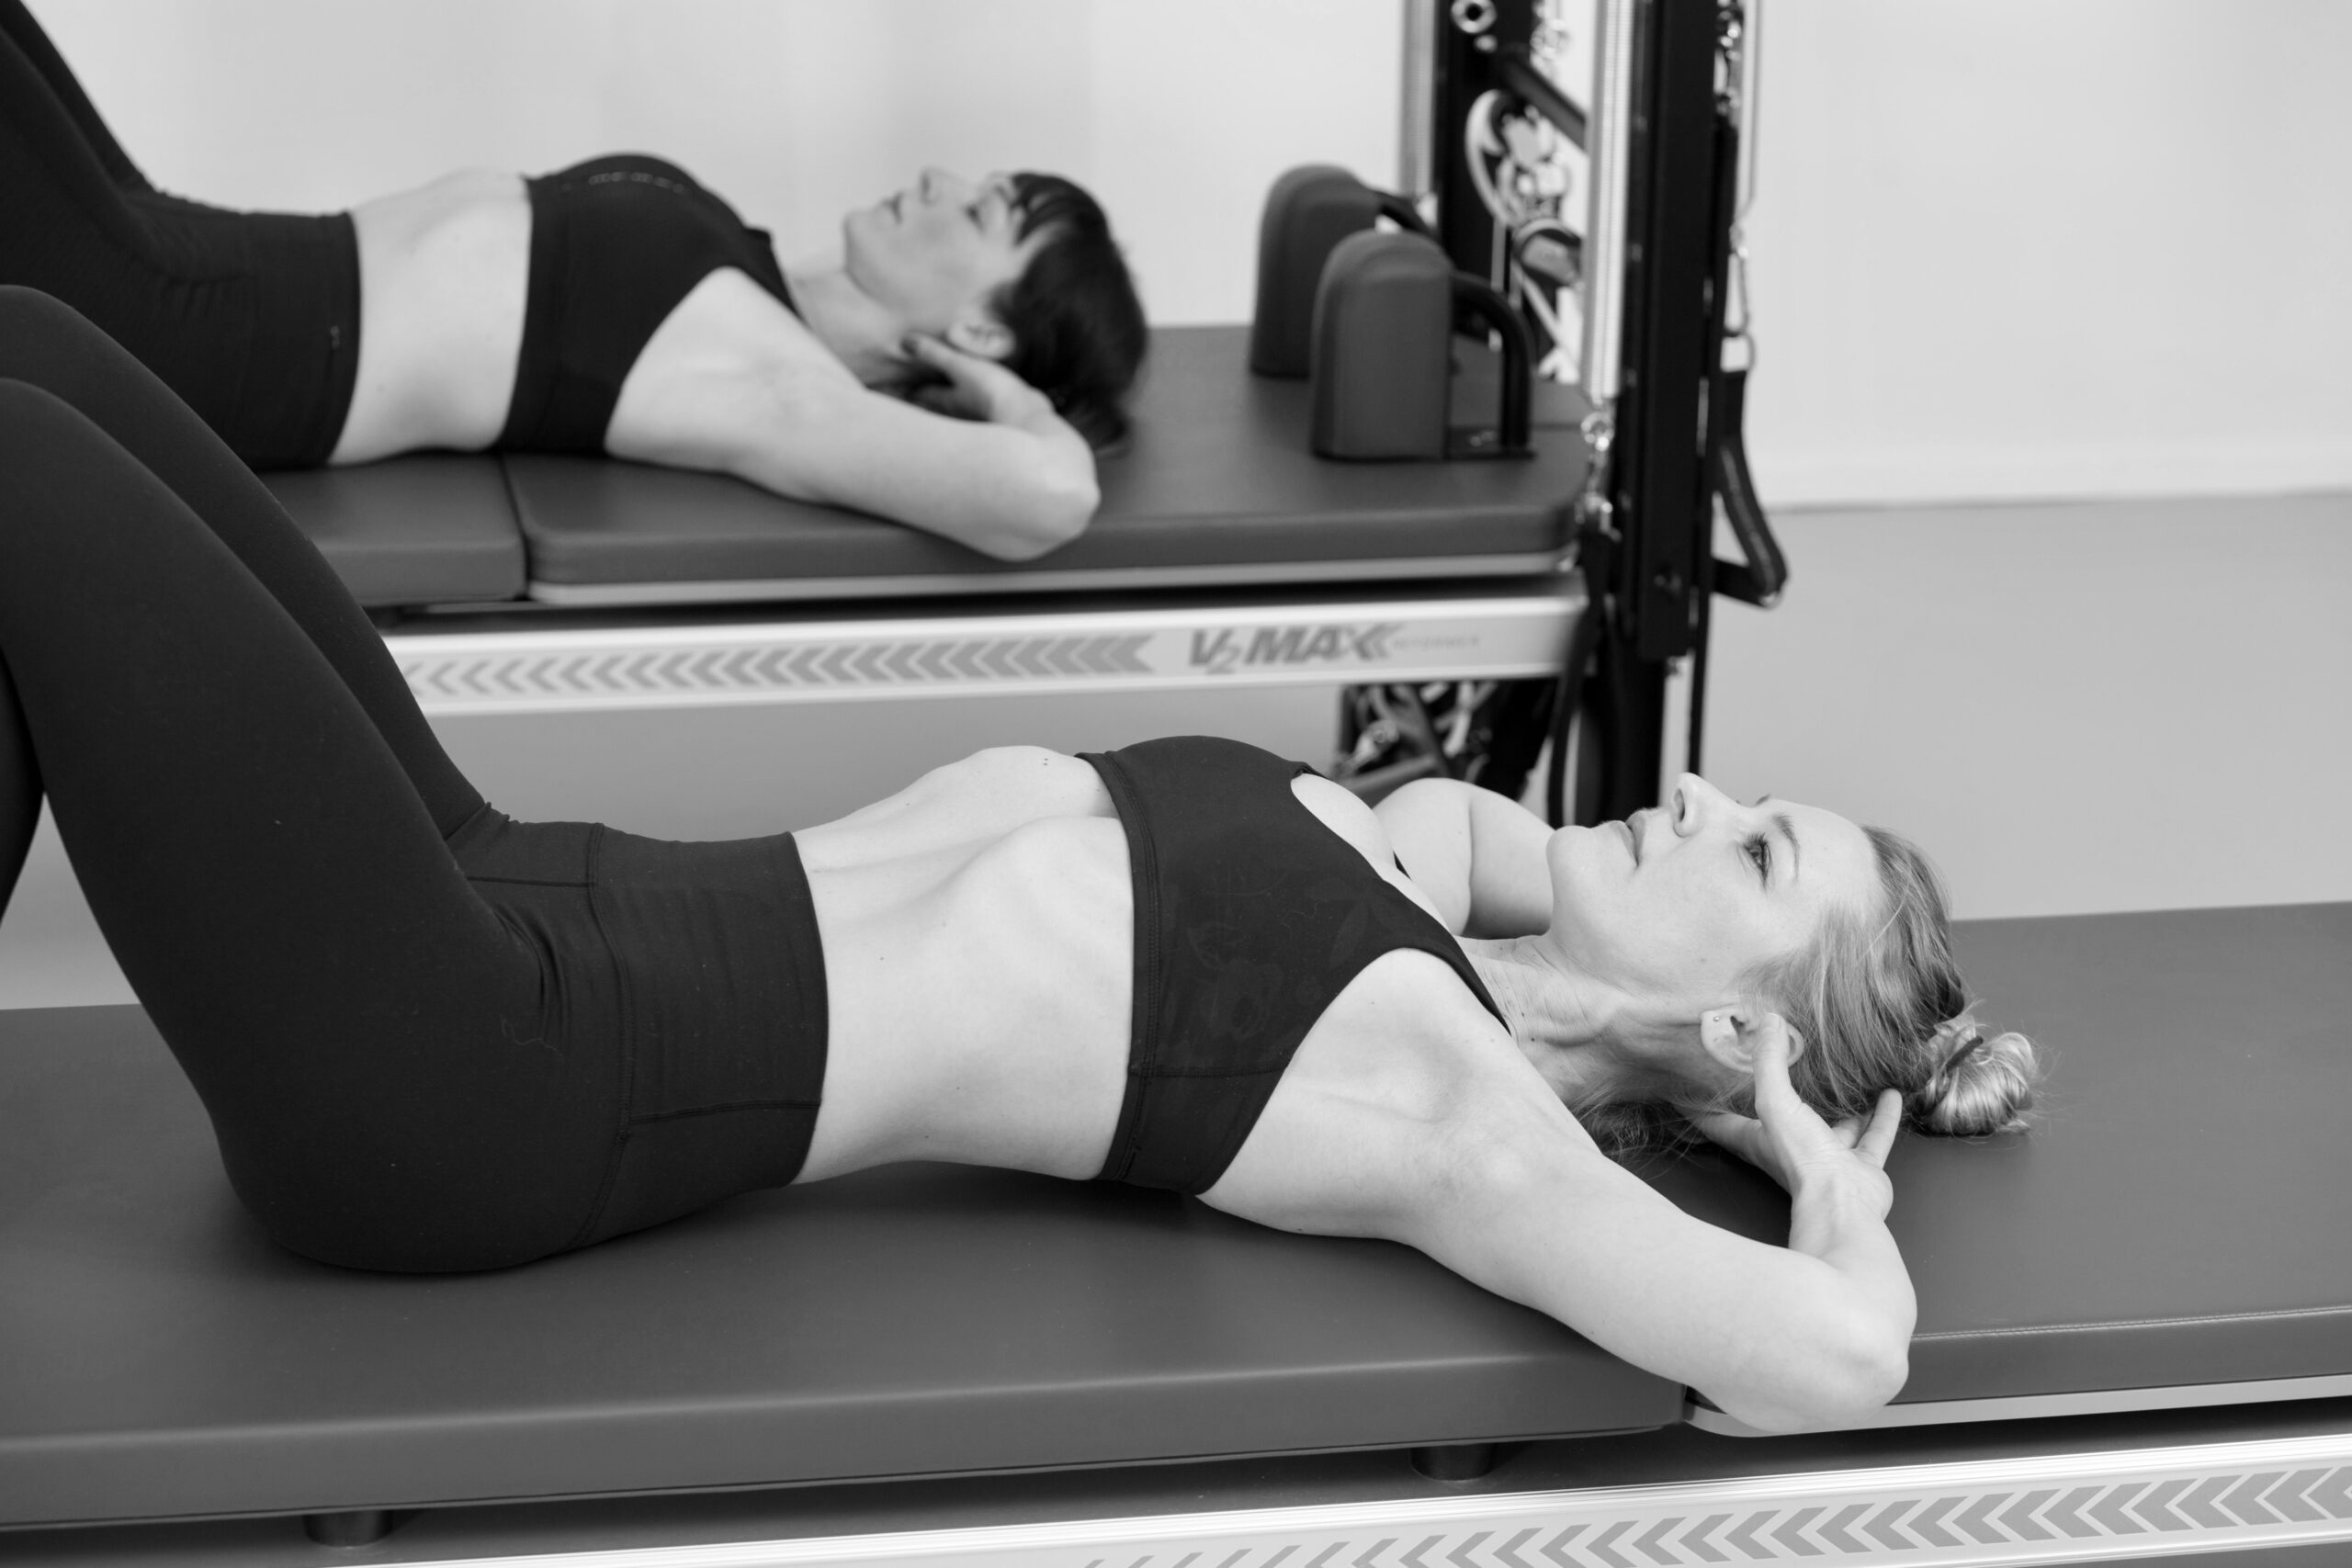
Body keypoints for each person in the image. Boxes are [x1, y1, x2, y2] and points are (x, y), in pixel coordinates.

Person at [0, 288, 2040, 1436]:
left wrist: (1817, 1165)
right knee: (41, 344)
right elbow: (1507, 848)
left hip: (481, 1071)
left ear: (1735, 1021)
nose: (1691, 795)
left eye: (1755, 848)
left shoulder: (1440, 1101)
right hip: (502, 871)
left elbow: (1836, 1352)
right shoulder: (1412, 868)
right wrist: (1669, 1005)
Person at [0, 0, 1145, 560]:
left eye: (983, 209)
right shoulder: (750, 280)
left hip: (187, 336)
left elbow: (1048, 499)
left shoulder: (779, 388)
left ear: (986, 334)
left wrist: (1016, 407)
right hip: (184, 249)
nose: (942, 176)